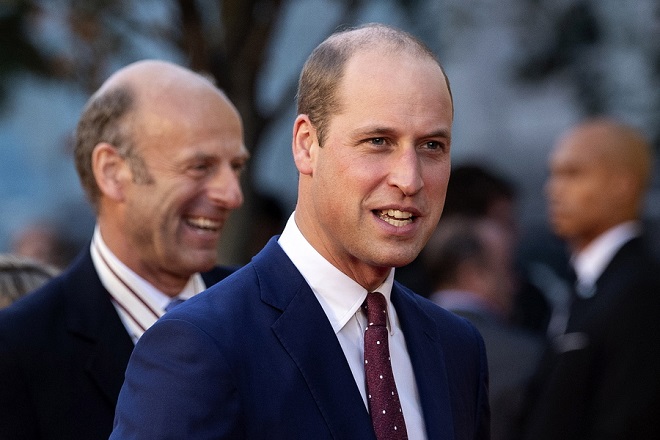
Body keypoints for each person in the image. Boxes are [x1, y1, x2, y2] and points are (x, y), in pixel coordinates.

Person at [111, 23, 490, 439]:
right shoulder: (199, 345)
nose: (410, 179)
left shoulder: (457, 349)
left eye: (432, 146)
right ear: (306, 144)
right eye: (378, 141)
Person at [0, 60, 248, 440]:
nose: (232, 195)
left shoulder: (268, 313)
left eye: (237, 166)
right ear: (112, 172)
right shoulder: (19, 352)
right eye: (200, 166)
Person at [520, 117, 660, 439]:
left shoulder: (641, 294)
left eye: (573, 173)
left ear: (623, 185)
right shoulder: (585, 287)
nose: (552, 189)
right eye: (553, 174)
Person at [423, 216, 544, 440]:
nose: (516, 283)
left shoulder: (381, 341)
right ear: (473, 275)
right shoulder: (526, 357)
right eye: (508, 268)